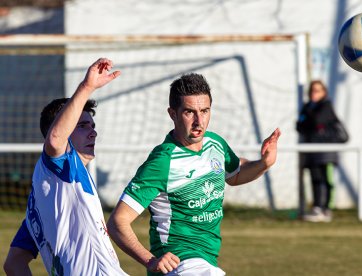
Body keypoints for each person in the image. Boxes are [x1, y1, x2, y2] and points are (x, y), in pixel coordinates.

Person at [107, 73, 282, 275]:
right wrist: (150, 260)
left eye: (205, 111)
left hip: (206, 259)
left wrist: (264, 163)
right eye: (189, 112)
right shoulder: (162, 162)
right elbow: (117, 221)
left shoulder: (215, 144)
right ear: (172, 113)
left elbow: (234, 175)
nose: (199, 121)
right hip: (181, 263)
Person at [3, 58, 127, 275]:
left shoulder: (40, 204)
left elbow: (13, 263)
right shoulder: (63, 168)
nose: (93, 132)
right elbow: (55, 140)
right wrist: (87, 87)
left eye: (92, 126)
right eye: (82, 126)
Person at [296, 80, 348, 223]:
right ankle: (317, 208)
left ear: (324, 92)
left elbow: (316, 120)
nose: (314, 93)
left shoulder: (326, 106)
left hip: (327, 152)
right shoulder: (307, 107)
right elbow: (300, 126)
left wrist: (308, 117)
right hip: (312, 151)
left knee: (327, 180)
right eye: (312, 90)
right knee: (315, 180)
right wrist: (308, 118)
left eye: (318, 90)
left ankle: (327, 209)